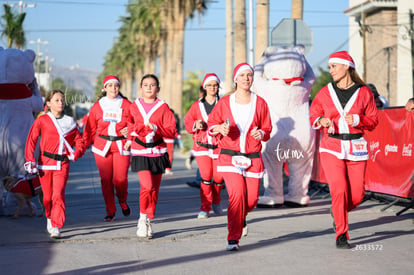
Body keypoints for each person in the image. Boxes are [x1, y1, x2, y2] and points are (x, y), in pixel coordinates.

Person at [309, 51, 378, 249]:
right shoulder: (325, 92)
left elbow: (373, 121)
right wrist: (321, 120)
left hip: (356, 146)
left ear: (346, 66)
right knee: (338, 190)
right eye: (330, 67)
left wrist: (359, 120)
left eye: (334, 66)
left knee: (357, 195)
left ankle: (337, 212)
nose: (330, 70)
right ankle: (342, 235)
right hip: (331, 146)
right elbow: (314, 114)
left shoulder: (364, 92)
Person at [208, 63, 272, 251]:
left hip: (252, 157)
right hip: (229, 156)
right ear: (235, 79)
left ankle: (241, 218)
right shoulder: (225, 102)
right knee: (237, 195)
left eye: (249, 75)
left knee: (251, 200)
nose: (246, 78)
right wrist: (219, 128)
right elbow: (212, 123)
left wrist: (262, 133)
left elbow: (267, 128)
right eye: (242, 75)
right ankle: (233, 238)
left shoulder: (260, 103)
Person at [24, 90, 84, 238]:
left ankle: (56, 225)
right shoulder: (42, 120)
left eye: (62, 100)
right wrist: (30, 159)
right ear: (49, 103)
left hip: (62, 164)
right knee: (47, 197)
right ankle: (49, 217)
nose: (60, 103)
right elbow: (32, 140)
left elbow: (79, 140)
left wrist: (77, 152)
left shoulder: (70, 121)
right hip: (44, 164)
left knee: (58, 194)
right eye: (56, 100)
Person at [124, 74, 176, 238]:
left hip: (158, 152)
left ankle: (148, 218)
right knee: (146, 186)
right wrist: (129, 139)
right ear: (140, 88)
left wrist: (156, 128)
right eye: (145, 85)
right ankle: (142, 218)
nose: (148, 87)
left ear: (158, 89)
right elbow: (128, 124)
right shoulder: (134, 106)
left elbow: (171, 130)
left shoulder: (163, 107)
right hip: (140, 151)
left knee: (154, 189)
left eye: (152, 85)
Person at [82, 75, 131, 222]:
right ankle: (110, 210)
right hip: (102, 146)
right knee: (105, 180)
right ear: (105, 88)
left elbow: (135, 123)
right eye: (110, 86)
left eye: (116, 85)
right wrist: (82, 147)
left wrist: (130, 131)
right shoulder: (98, 106)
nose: (113, 88)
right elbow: (89, 129)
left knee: (120, 179)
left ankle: (122, 200)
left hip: (121, 145)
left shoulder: (127, 104)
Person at [184, 73, 225, 219]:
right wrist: (196, 124)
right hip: (202, 147)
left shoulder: (224, 103)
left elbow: (230, 120)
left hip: (219, 146)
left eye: (215, 85)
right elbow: (188, 121)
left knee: (219, 178)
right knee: (206, 177)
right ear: (205, 87)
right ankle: (205, 207)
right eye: (209, 85)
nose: (212, 88)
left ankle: (217, 201)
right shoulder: (197, 105)